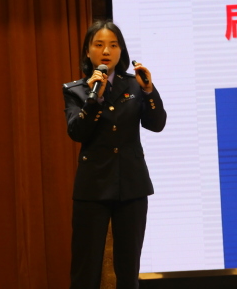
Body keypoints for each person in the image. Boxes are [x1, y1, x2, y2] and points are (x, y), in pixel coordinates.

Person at [63, 19, 167, 289]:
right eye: (99, 45)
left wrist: (149, 90)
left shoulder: (135, 85)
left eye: (113, 45)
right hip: (92, 187)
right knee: (85, 269)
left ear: (122, 51)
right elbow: (77, 132)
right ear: (88, 51)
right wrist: (94, 98)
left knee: (128, 269)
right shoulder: (76, 90)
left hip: (131, 185)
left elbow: (156, 124)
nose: (106, 51)